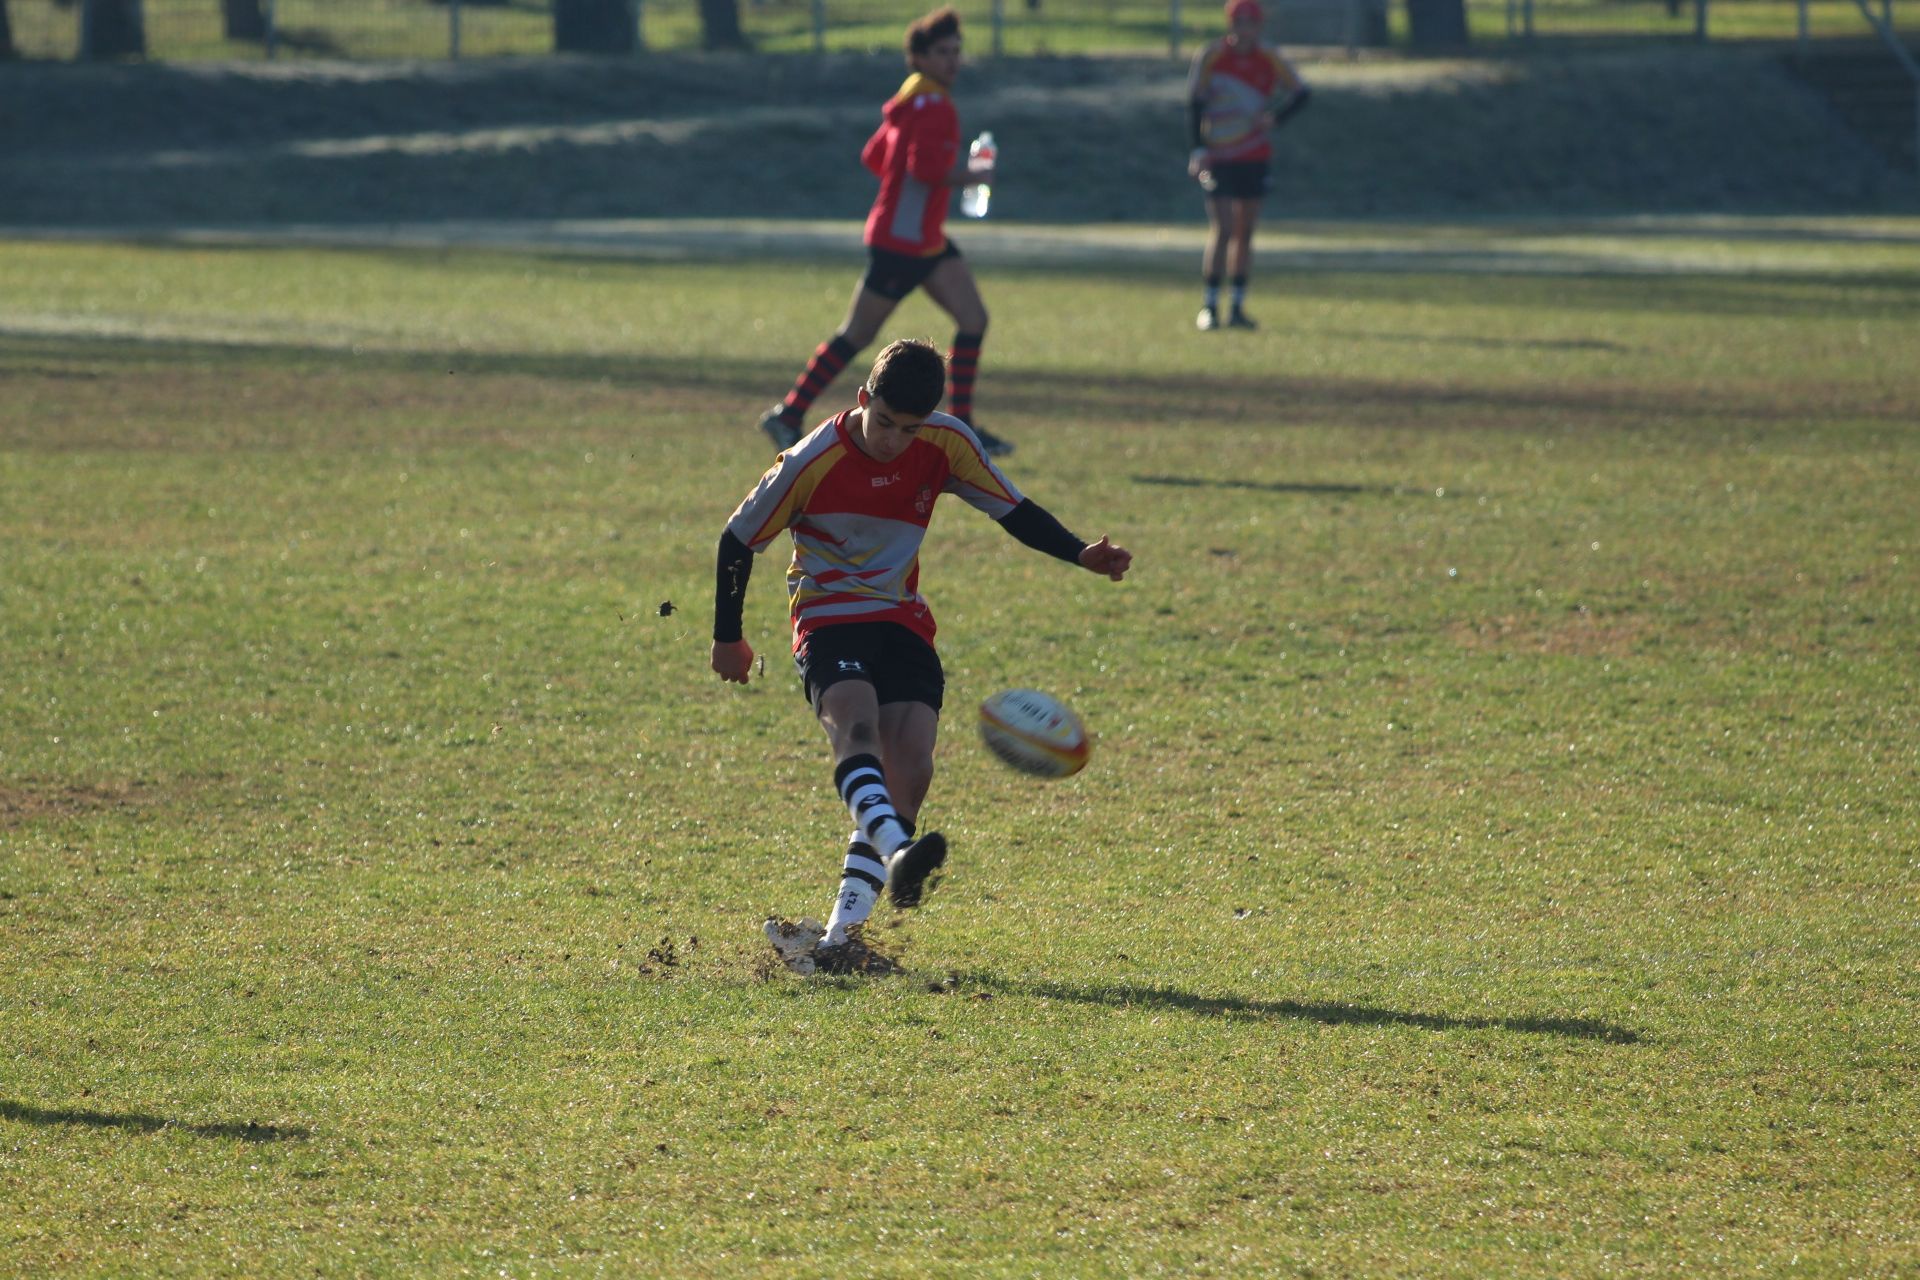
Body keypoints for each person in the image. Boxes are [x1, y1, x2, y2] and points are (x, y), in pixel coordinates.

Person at [713, 339, 1132, 975]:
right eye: (883, 423)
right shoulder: (811, 460)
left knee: (911, 766)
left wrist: (1080, 553)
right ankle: (896, 851)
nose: (893, 441)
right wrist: (728, 637)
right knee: (855, 728)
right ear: (863, 400)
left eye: (909, 429)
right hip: (829, 618)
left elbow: (1012, 510)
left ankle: (837, 943)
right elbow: (738, 539)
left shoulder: (947, 443)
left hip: (902, 619)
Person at [755, 6, 1015, 460]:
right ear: (919, 56)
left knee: (974, 319)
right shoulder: (934, 105)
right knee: (856, 333)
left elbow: (874, 157)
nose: (953, 60)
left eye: (957, 51)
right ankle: (787, 414)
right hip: (902, 243)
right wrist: (973, 177)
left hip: (924, 238)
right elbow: (925, 168)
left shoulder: (908, 99)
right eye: (942, 52)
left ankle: (966, 428)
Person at [1186, 0, 1311, 332]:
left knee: (1245, 232)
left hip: (1254, 153)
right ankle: (1210, 305)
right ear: (1229, 23)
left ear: (1259, 25)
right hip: (1217, 155)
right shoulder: (1212, 56)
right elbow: (1195, 104)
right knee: (1222, 228)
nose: (1244, 28)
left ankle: (1237, 306)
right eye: (1238, 21)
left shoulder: (1269, 57)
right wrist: (1197, 149)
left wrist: (1275, 118)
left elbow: (1302, 92)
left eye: (1250, 22)